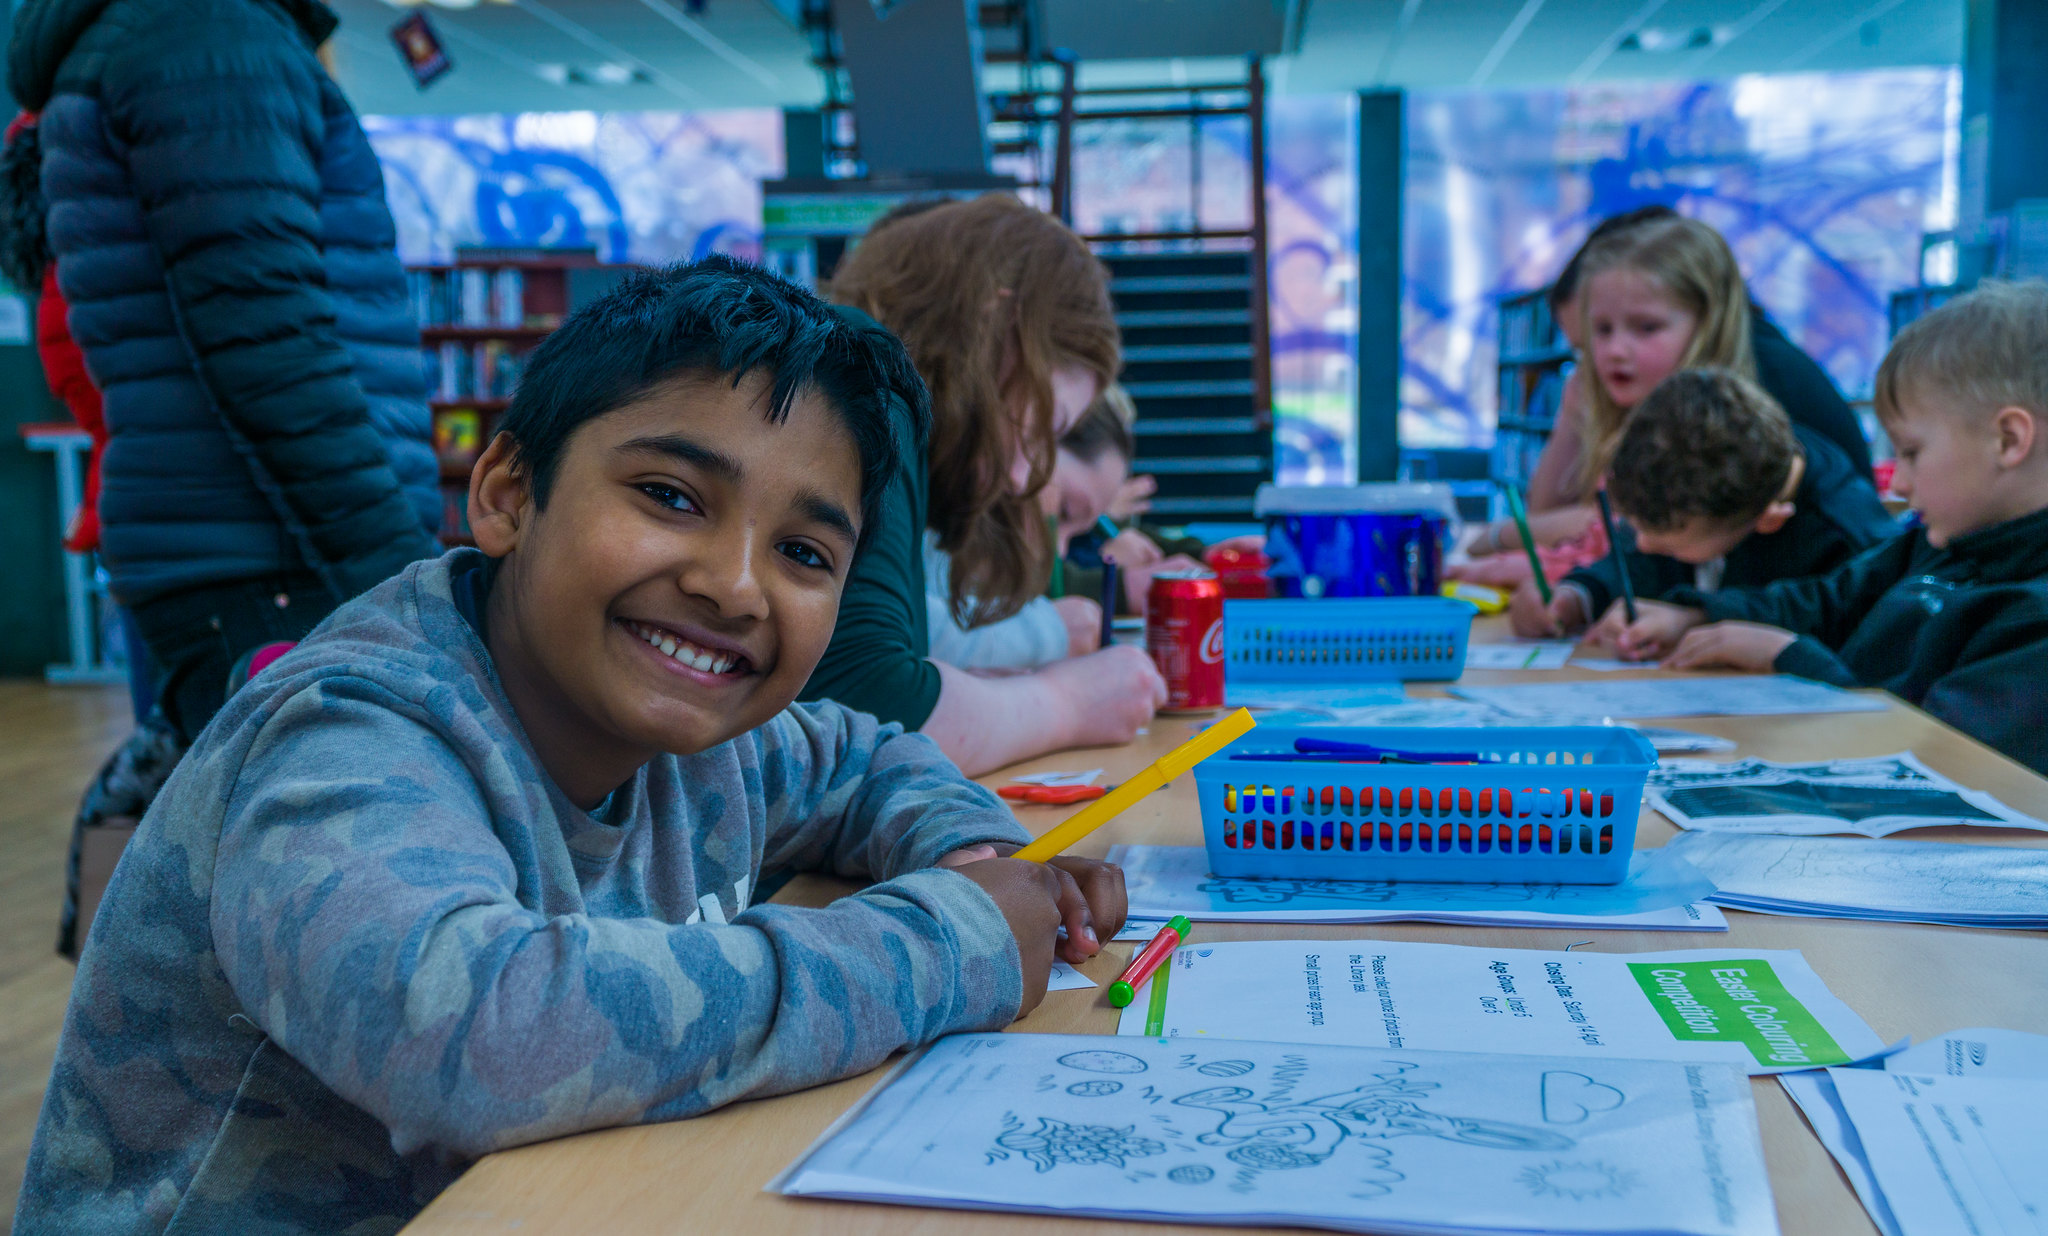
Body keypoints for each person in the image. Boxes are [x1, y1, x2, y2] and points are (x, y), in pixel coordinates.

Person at [15, 259, 1129, 1233]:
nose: (732, 585)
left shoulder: (703, 733)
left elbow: (860, 756)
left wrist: (979, 859)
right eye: (667, 495)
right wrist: (947, 942)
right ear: (506, 495)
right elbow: (474, 1034)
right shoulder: (350, 734)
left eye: (802, 551)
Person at [3, 0, 443, 751]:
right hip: (277, 558)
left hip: (252, 556)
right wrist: (397, 580)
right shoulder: (204, 31)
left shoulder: (183, 30)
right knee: (326, 857)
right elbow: (269, 338)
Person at [1603, 281, 2048, 774]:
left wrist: (1792, 657)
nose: (1897, 482)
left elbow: (1937, 757)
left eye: (1911, 452)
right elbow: (1828, 601)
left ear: (2008, 440)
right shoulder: (1939, 543)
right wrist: (1697, 616)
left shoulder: (2034, 612)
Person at [810, 195, 1166, 775]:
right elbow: (867, 708)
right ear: (996, 326)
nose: (1022, 478)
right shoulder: (867, 377)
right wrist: (1067, 705)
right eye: (1042, 427)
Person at [1463, 207, 1874, 566]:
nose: (1613, 352)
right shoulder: (1660, 393)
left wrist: (1499, 537)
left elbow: (1638, 532)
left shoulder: (1754, 392)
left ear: (1707, 323)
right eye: (1598, 334)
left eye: (1646, 327)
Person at [1515, 368, 1895, 637]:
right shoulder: (1708, 485)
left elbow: (1832, 617)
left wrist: (1697, 618)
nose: (1642, 544)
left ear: (1768, 521)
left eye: (1667, 543)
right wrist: (1580, 594)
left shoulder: (1847, 536)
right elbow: (1639, 560)